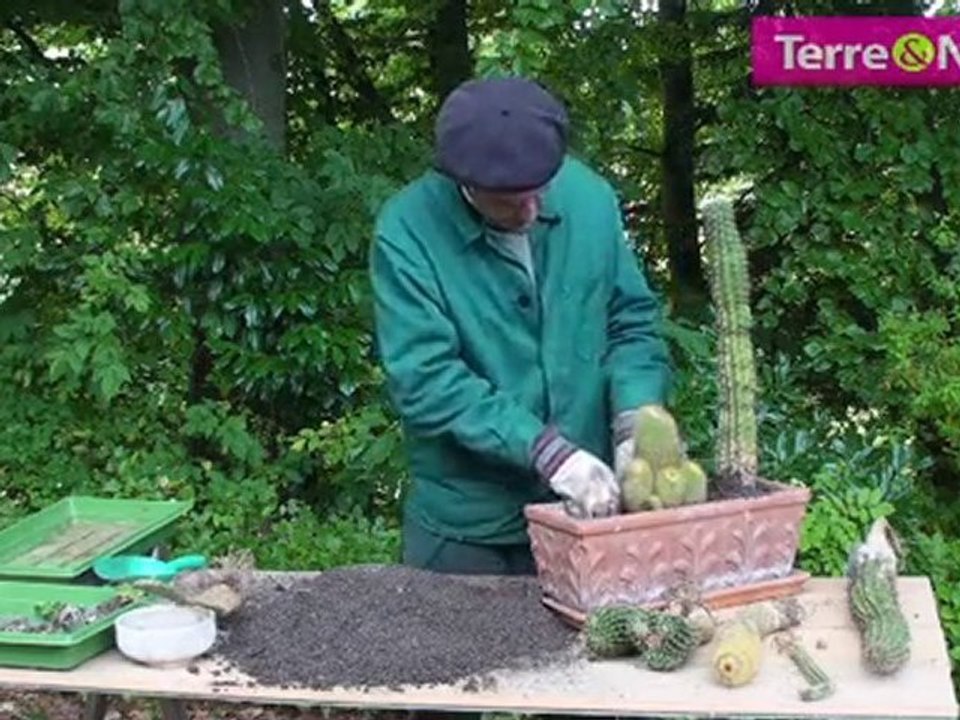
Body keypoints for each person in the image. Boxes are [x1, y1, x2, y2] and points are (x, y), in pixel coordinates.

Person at [369, 76, 672, 577]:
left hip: (586, 520)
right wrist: (549, 454)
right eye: (509, 202)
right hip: (468, 526)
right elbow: (425, 379)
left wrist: (635, 420)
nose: (531, 211)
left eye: (540, 191)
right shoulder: (407, 231)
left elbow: (631, 321)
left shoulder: (590, 199)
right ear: (463, 182)